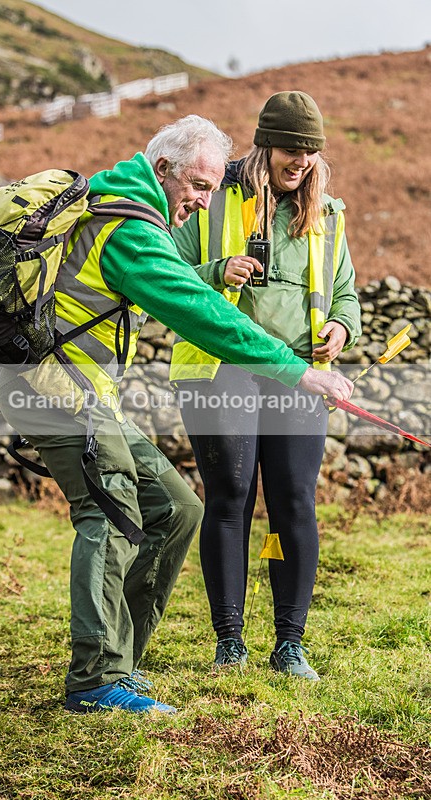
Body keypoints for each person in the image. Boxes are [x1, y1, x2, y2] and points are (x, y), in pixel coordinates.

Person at [0, 114, 354, 715]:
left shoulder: (130, 205)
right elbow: (198, 311)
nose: (204, 201)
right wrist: (297, 371)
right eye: (198, 186)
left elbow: (339, 290)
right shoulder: (130, 228)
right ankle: (95, 681)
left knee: (177, 507)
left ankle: (121, 663)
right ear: (162, 169)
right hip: (54, 389)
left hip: (85, 392)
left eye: (212, 188)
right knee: (111, 511)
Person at [170, 93, 361, 679]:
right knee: (230, 496)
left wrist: (341, 327)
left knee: (294, 501)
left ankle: (289, 645)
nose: (299, 161)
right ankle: (229, 641)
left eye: (309, 151)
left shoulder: (327, 214)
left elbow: (346, 292)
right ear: (265, 144)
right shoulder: (213, 197)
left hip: (298, 373)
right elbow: (165, 275)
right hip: (220, 367)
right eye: (289, 148)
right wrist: (216, 271)